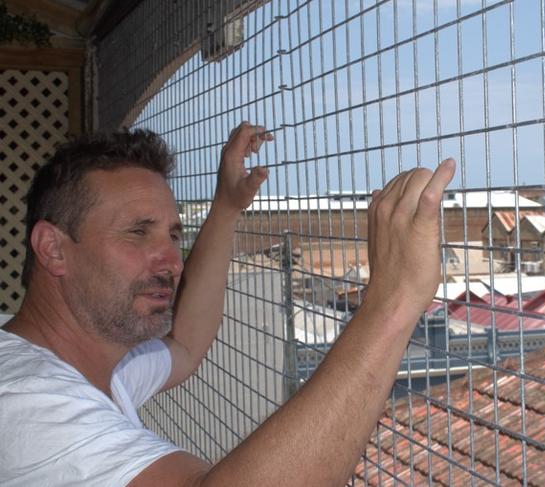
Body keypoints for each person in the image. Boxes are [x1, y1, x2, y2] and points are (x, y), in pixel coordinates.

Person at [0, 122, 455, 486]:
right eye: (138, 232)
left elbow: (186, 345)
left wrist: (226, 205)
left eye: (174, 236)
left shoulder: (94, 365)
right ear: (54, 249)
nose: (171, 261)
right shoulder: (25, 399)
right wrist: (391, 305)